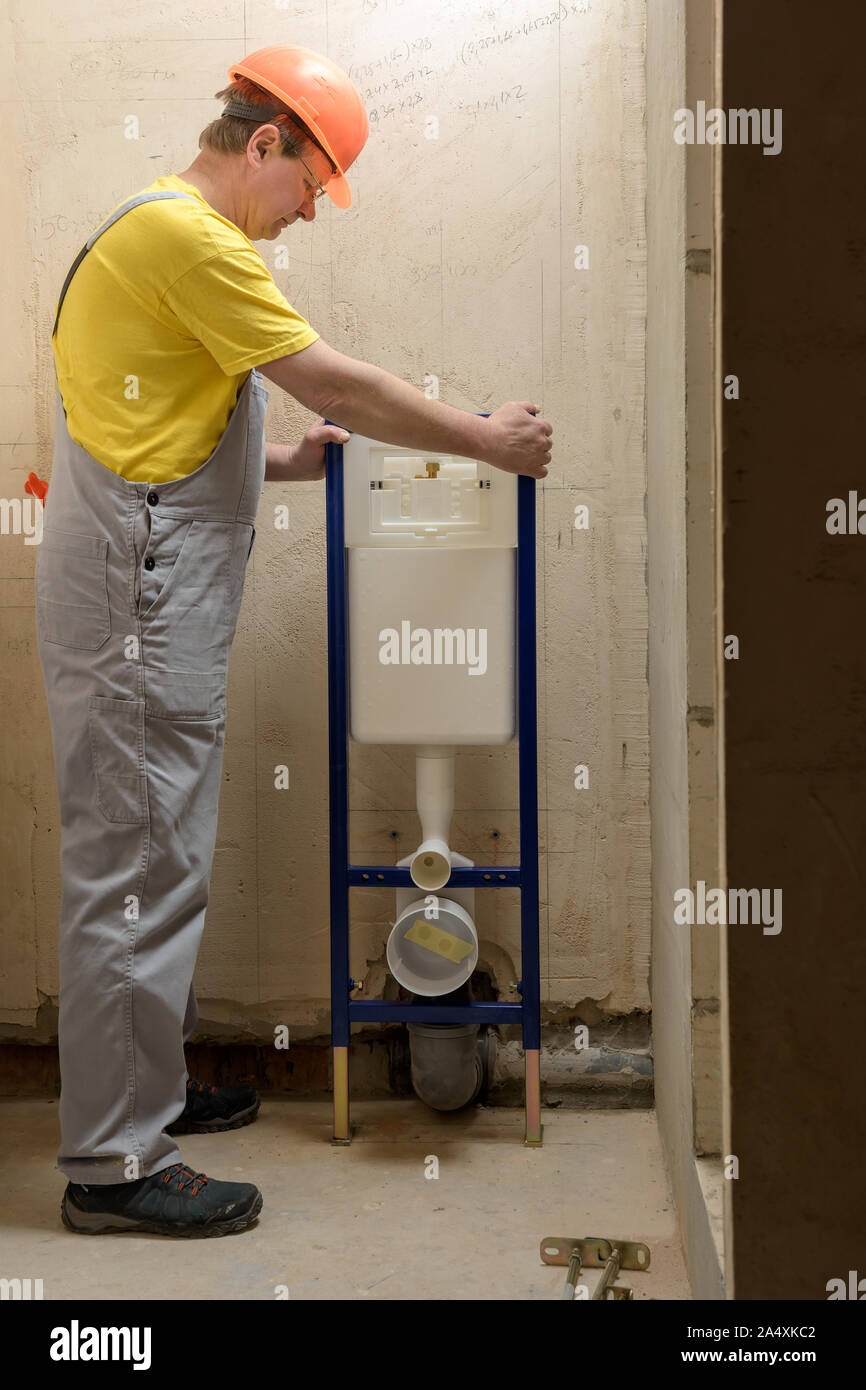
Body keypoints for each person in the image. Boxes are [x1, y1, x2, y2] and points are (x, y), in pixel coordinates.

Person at [37, 44, 552, 1239]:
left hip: (140, 579)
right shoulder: (194, 240)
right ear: (261, 143)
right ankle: (111, 1164)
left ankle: (141, 1098)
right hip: (138, 597)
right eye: (311, 183)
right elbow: (332, 377)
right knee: (132, 864)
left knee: (156, 850)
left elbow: (148, 414)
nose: (310, 211)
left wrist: (280, 459)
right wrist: (485, 438)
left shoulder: (153, 234)